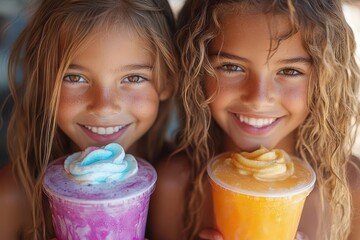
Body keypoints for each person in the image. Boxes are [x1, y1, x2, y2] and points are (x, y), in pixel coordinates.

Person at [148, 0, 360, 239]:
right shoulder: (173, 186)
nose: (258, 99)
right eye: (231, 67)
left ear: (325, 80)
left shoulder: (349, 189)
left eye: (289, 71)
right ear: (197, 72)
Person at [0, 0, 178, 239]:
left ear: (168, 81)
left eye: (134, 78)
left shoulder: (181, 188)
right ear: (43, 80)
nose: (104, 107)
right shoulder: (12, 197)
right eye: (74, 77)